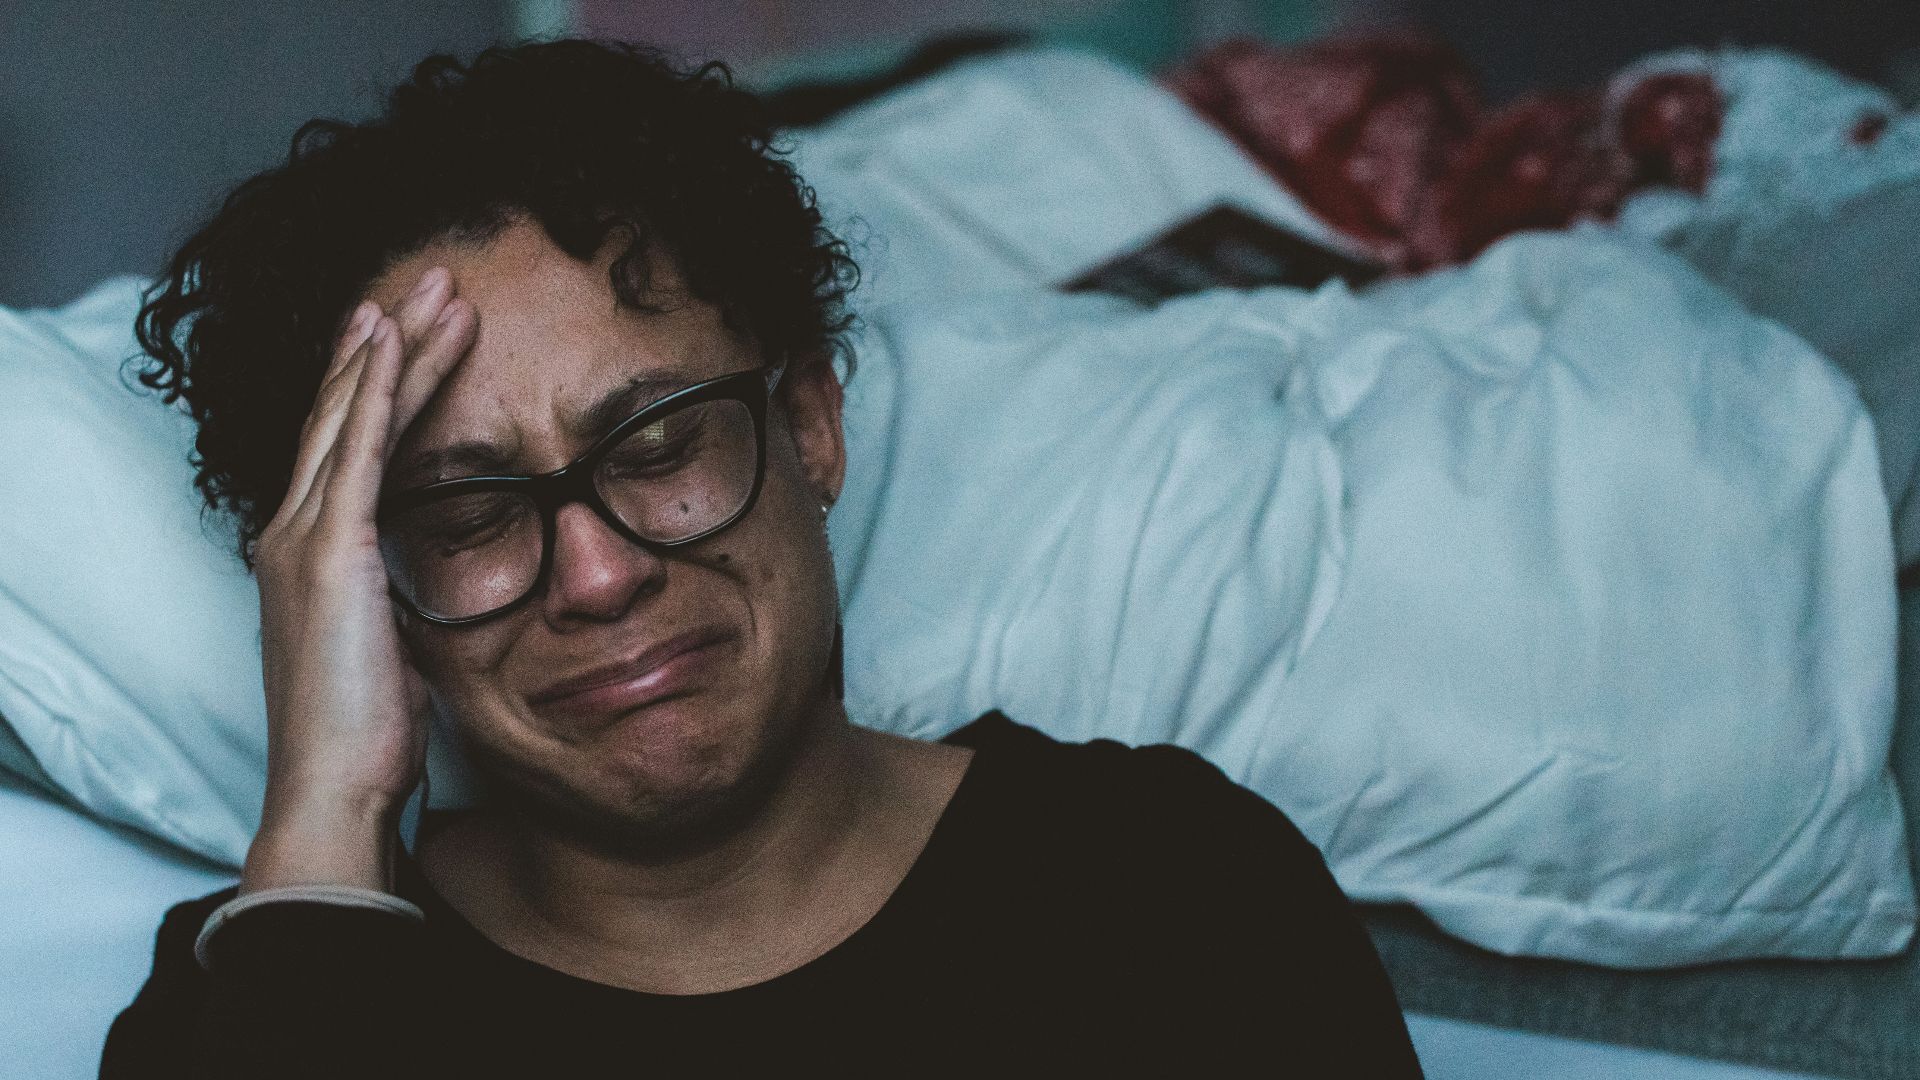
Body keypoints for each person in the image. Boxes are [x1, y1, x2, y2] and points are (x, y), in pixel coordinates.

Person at [99, 38, 1422, 1077]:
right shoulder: (260, 992)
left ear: (809, 426)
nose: (600, 578)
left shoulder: (1168, 891)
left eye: (663, 445)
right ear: (368, 591)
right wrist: (325, 811)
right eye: (466, 517)